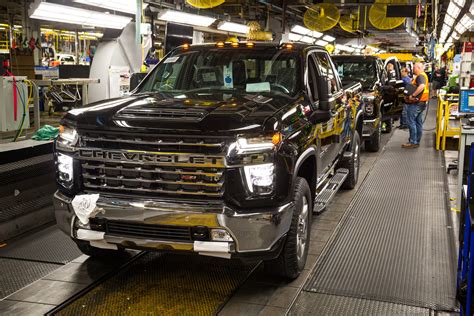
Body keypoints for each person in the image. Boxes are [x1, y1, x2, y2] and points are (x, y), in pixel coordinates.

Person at [402, 62, 429, 149]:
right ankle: (416, 141)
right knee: (418, 122)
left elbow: (421, 86)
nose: (413, 69)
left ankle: (413, 141)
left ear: (418, 68)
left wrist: (413, 95)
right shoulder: (423, 75)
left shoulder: (420, 76)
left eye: (414, 68)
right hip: (421, 103)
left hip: (416, 103)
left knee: (411, 122)